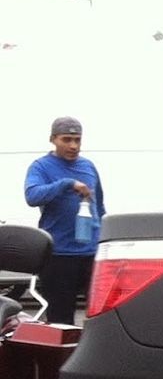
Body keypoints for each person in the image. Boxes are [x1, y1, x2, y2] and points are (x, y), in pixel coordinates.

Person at [23, 116, 106, 324]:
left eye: (77, 140)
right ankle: (63, 356)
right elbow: (32, 196)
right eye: (66, 139)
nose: (73, 146)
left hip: (91, 254)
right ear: (53, 139)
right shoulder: (41, 167)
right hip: (59, 255)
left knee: (102, 316)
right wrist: (67, 183)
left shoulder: (88, 166)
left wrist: (105, 240)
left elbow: (100, 206)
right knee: (61, 320)